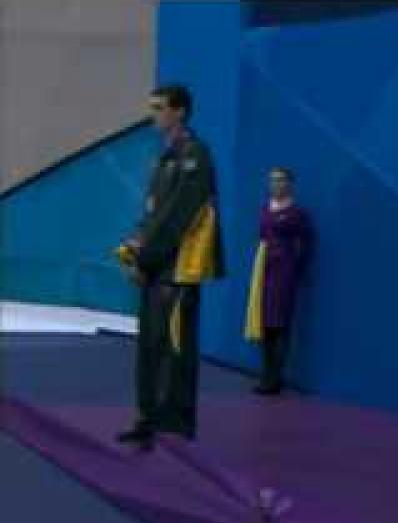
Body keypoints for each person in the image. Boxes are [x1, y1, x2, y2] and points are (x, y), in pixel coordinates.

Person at [115, 83, 224, 452]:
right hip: (156, 267)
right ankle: (147, 419)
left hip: (178, 269)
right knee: (150, 347)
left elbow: (179, 218)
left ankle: (174, 429)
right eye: (152, 107)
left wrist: (144, 259)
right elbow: (152, 214)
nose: (153, 114)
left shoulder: (196, 156)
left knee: (174, 350)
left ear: (179, 111)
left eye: (159, 107)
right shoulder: (164, 157)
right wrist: (134, 249)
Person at [243, 166, 312, 395]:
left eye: (281, 180)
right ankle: (266, 374)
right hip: (264, 271)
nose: (276, 184)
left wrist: (296, 269)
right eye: (272, 180)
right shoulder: (264, 209)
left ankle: (275, 378)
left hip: (283, 274)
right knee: (264, 325)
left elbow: (307, 242)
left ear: (290, 184)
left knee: (279, 325)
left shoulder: (297, 214)